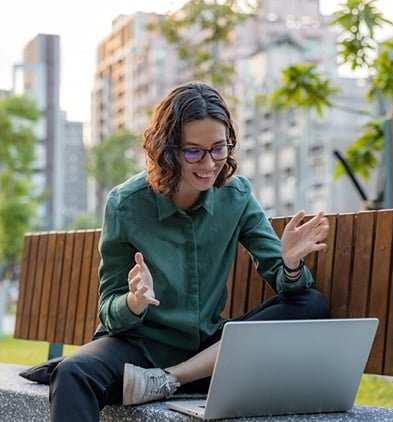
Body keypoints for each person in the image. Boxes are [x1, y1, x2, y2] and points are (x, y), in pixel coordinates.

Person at [49, 81, 330, 421]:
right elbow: (109, 309)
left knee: (311, 303)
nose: (209, 163)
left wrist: (290, 265)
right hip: (140, 350)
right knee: (73, 373)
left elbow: (290, 287)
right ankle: (168, 376)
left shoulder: (236, 195)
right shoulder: (126, 204)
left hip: (208, 353)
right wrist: (135, 302)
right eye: (193, 151)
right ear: (168, 151)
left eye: (219, 149)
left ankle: (173, 378)